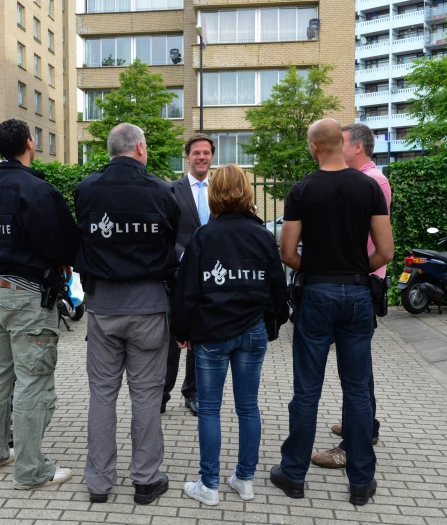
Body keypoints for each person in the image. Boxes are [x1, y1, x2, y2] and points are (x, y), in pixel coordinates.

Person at [271, 119, 394, 506]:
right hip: (358, 294)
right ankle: (361, 483)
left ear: (313, 148)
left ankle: (293, 475)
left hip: (317, 295)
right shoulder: (369, 186)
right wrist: (355, 269)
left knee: (307, 389)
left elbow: (288, 253)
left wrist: (320, 271)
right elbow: (386, 251)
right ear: (341, 145)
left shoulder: (302, 190)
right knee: (357, 390)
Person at [0, 119, 79, 489]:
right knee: (34, 380)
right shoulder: (36, 190)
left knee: (0, 372)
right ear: (30, 143)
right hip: (28, 296)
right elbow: (64, 243)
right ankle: (32, 470)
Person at [75, 123, 180, 505]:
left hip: (103, 306)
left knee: (102, 395)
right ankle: (146, 480)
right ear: (139, 148)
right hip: (150, 306)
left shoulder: (86, 189)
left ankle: (99, 483)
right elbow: (172, 240)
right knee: (146, 396)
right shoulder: (162, 190)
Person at [173, 164, 288, 506]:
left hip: (212, 332)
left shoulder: (204, 237)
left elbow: (187, 290)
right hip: (253, 330)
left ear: (214, 195)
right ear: (247, 192)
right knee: (248, 407)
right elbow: (277, 287)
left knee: (209, 409)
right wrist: (274, 324)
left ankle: (208, 486)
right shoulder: (262, 236)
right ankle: (245, 479)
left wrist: (182, 331)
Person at [311, 123, 392, 469]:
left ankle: (354, 442)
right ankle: (365, 426)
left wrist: (355, 270)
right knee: (359, 367)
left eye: (341, 143)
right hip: (361, 279)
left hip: (360, 282)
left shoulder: (371, 182)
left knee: (357, 371)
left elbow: (374, 244)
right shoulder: (370, 179)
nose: (336, 149)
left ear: (357, 147)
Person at [163, 134, 215, 416]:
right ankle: (162, 392)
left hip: (211, 276)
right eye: (196, 153)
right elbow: (166, 233)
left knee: (200, 338)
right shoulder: (172, 190)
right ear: (188, 156)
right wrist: (184, 255)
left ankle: (192, 392)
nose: (202, 157)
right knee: (172, 339)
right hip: (178, 274)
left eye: (206, 153)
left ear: (212, 156)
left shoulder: (219, 189)